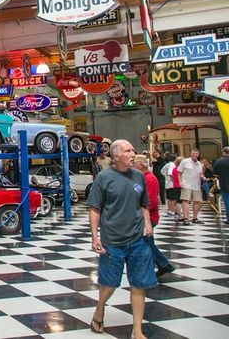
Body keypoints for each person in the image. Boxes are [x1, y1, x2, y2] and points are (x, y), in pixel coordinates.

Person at [87, 139, 156, 338]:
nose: (133, 153)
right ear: (116, 156)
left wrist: (148, 223)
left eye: (133, 150)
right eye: (128, 150)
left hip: (138, 240)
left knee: (139, 284)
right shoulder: (104, 177)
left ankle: (137, 330)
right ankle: (100, 308)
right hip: (112, 241)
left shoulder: (139, 176)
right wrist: (94, 236)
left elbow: (144, 204)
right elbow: (95, 208)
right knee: (109, 284)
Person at [134, 155, 174, 278]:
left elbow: (150, 200)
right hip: (145, 216)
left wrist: (138, 213)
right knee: (147, 243)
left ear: (140, 165)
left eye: (134, 164)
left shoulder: (149, 179)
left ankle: (156, 268)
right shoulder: (142, 178)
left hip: (149, 218)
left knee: (146, 244)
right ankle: (162, 265)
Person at [178, 149, 207, 224]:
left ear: (198, 155)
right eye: (193, 153)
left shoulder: (199, 164)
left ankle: (195, 218)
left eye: (196, 154)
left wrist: (203, 177)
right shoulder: (185, 161)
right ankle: (186, 218)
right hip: (186, 184)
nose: (195, 155)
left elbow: (200, 173)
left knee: (197, 201)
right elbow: (179, 172)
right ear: (191, 153)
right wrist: (180, 182)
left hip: (196, 185)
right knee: (185, 200)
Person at [162, 153, 181, 218]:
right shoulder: (172, 165)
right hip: (172, 184)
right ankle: (172, 211)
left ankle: (170, 210)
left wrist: (166, 177)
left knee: (169, 198)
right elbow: (170, 173)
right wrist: (174, 179)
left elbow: (162, 171)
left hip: (167, 183)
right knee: (173, 199)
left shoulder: (167, 164)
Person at [213, 147, 229, 224]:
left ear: (223, 152)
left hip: (224, 184)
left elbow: (214, 173)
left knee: (227, 202)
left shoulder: (219, 161)